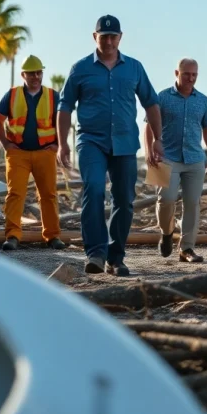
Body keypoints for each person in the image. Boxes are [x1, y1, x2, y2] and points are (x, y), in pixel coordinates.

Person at [58, 14, 164, 276]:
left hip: (125, 143)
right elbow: (65, 106)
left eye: (112, 36)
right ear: (95, 37)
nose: (108, 41)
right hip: (91, 141)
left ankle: (115, 258)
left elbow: (151, 102)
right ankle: (95, 253)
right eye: (103, 36)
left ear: (120, 37)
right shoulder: (80, 68)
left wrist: (158, 140)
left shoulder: (134, 68)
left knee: (124, 199)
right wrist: (62, 144)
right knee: (93, 189)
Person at [142, 58, 207, 263]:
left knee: (192, 203)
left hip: (195, 159)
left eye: (194, 75)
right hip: (165, 157)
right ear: (177, 73)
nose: (191, 78)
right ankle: (166, 233)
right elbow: (149, 126)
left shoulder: (202, 100)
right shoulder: (162, 97)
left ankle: (187, 249)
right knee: (165, 199)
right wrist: (149, 151)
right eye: (187, 74)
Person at [0, 54, 65, 251]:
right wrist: (6, 145)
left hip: (45, 153)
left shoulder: (53, 96)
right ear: (23, 75)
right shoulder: (12, 95)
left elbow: (64, 121)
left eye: (39, 73)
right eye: (31, 73)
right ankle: (13, 236)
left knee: (48, 195)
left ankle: (52, 236)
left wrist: (58, 145)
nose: (36, 77)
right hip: (18, 154)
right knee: (15, 194)